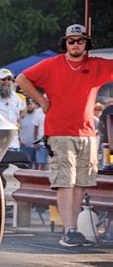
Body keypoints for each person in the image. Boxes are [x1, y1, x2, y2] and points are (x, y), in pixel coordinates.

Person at [16, 24, 113, 247]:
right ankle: (68, 230)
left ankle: (75, 230)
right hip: (59, 132)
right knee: (65, 183)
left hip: (87, 133)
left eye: (80, 41)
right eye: (72, 41)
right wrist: (41, 102)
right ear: (65, 43)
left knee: (80, 183)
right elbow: (21, 79)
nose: (76, 44)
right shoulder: (52, 64)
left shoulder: (95, 65)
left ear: (86, 44)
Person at [19, 97, 37, 168]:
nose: (29, 106)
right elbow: (17, 126)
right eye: (28, 104)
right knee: (25, 167)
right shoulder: (22, 114)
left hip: (36, 145)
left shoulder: (38, 113)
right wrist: (19, 139)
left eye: (31, 104)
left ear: (34, 104)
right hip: (24, 145)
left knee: (39, 168)